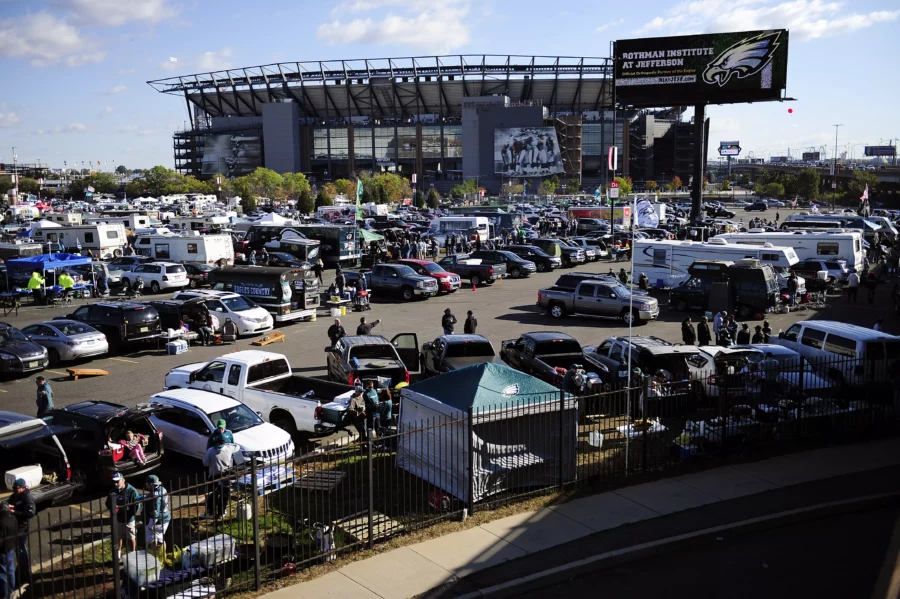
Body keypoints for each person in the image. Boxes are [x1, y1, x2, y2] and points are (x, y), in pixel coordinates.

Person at [201, 440, 240, 519]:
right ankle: (222, 512)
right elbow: (237, 447)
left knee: (212, 495)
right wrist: (229, 444)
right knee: (224, 494)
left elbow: (205, 463)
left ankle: (210, 513)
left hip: (214, 476)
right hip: (226, 475)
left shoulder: (211, 451)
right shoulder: (229, 449)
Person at [106, 473, 139, 558]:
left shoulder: (131, 490)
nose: (116, 484)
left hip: (128, 519)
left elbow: (136, 505)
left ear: (123, 480)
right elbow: (108, 503)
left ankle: (133, 555)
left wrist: (130, 514)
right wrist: (112, 507)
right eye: (114, 482)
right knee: (118, 537)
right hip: (118, 518)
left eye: (117, 481)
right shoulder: (113, 491)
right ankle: (118, 556)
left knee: (131, 537)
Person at [10, 480, 35, 590]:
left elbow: (30, 513)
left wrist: (15, 513)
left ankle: (25, 573)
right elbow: (9, 503)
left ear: (22, 487)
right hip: (15, 526)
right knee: (18, 549)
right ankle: (21, 569)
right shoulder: (15, 496)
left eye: (16, 488)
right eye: (14, 488)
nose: (14, 490)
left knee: (21, 549)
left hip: (22, 528)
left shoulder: (27, 497)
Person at [143, 475, 170, 557]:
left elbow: (156, 512)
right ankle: (163, 557)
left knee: (153, 541)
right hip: (165, 519)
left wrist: (150, 525)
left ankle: (154, 559)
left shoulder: (156, 496)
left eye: (147, 483)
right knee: (161, 540)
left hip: (157, 522)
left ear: (151, 485)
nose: (146, 485)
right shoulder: (163, 489)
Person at [0, 501, 17, 599]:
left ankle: (4, 594)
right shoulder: (13, 518)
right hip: (11, 547)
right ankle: (11, 590)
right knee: (10, 569)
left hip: (3, 551)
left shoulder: (1, 522)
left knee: (2, 573)